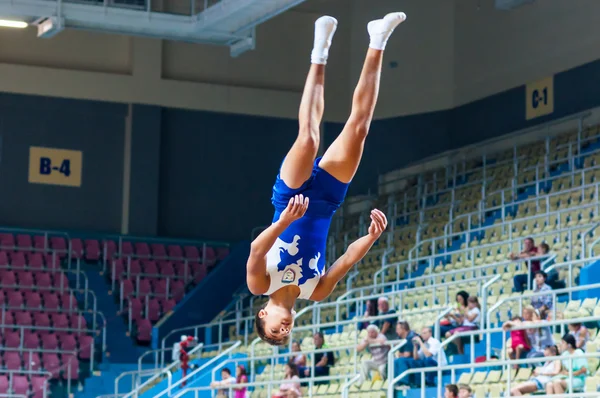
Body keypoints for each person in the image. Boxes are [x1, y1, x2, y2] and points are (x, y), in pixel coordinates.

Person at [247, 11, 406, 345]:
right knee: (359, 128)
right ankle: (378, 39)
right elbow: (347, 258)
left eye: (276, 329)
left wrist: (282, 222)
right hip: (327, 202)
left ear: (263, 314)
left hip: (289, 199)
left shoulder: (260, 285)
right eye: (287, 334)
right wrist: (372, 237)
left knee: (308, 138)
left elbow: (257, 247)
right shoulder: (315, 291)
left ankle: (320, 50)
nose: (285, 328)